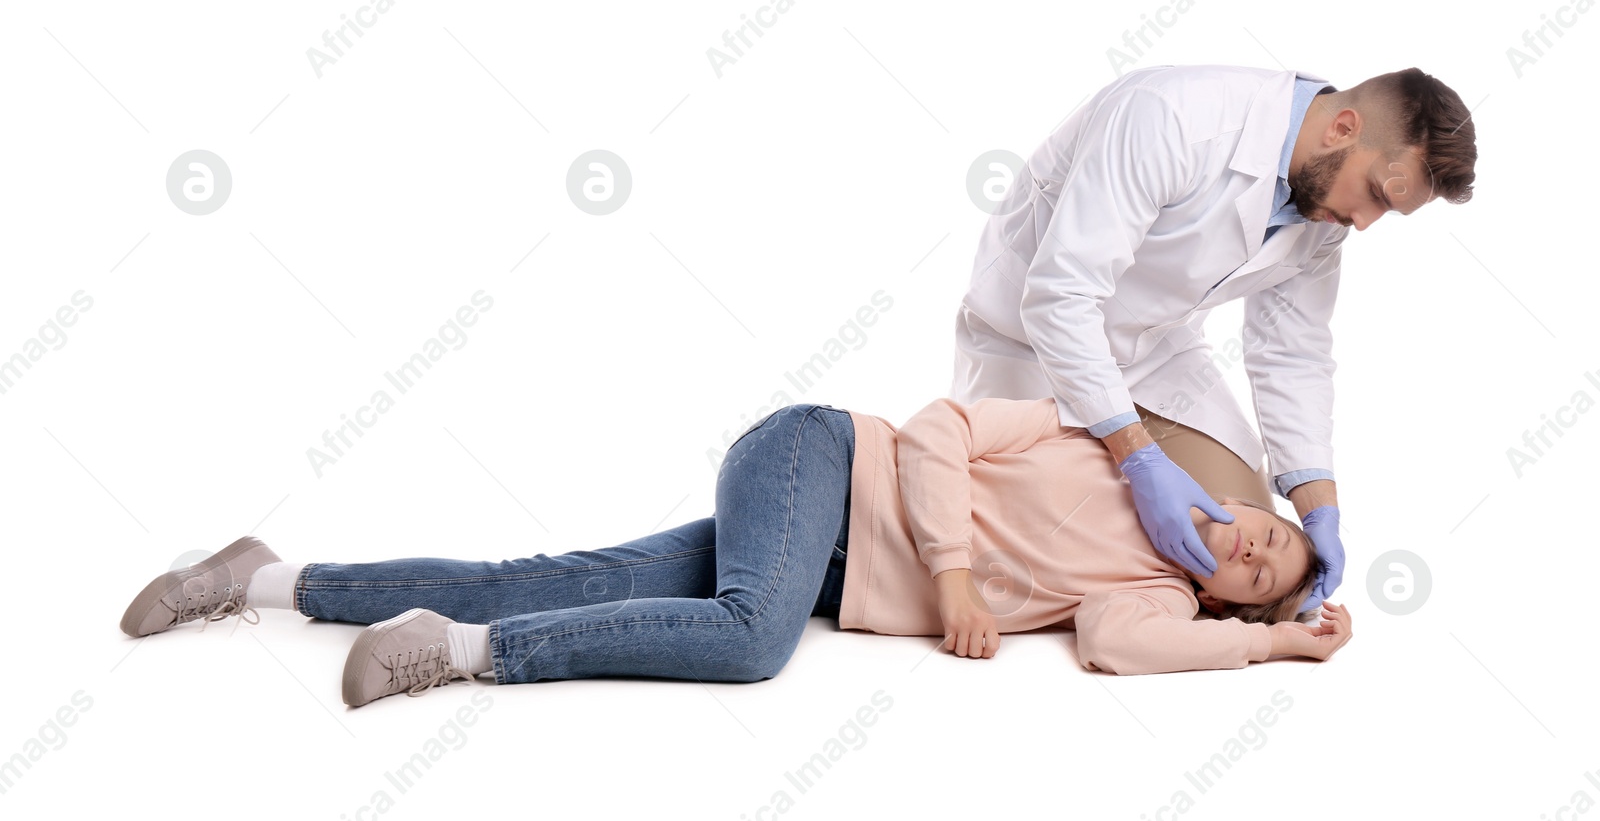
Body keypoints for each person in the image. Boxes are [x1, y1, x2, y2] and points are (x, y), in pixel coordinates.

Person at [119, 399, 1351, 708]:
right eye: (1263, 529)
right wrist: (957, 571)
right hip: (818, 456)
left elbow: (1117, 648)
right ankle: (464, 653)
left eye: (1254, 572)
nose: (1247, 544)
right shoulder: (1103, 444)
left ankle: (259, 576)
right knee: (754, 640)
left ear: (1216, 595)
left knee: (547, 576)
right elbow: (934, 429)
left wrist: (1282, 643)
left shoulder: (1144, 590)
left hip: (821, 557)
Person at [951, 64, 1478, 613]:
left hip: (1156, 360)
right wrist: (1139, 460)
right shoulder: (1170, 117)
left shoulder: (1325, 211)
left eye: (1387, 212)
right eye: (1375, 194)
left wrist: (1318, 507)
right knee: (1050, 559)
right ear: (1342, 128)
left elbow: (1292, 353)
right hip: (1031, 346)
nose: (1364, 223)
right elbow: (1062, 298)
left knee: (1260, 581)